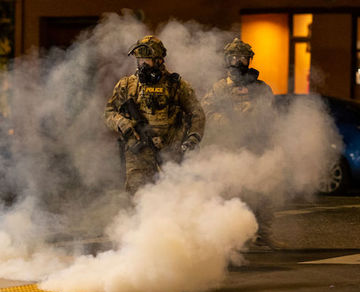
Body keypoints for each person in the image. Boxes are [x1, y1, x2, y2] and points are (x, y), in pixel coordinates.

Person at [201, 38, 281, 250]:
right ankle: (233, 239)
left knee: (262, 191)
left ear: (249, 60)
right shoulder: (219, 88)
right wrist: (226, 121)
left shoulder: (261, 87)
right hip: (230, 148)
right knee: (232, 192)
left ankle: (263, 234)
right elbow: (207, 112)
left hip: (256, 146)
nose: (238, 62)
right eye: (234, 57)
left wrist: (256, 119)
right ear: (227, 59)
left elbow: (271, 114)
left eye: (242, 58)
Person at [105, 35, 205, 194]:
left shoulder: (176, 85)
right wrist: (121, 123)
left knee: (174, 196)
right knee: (138, 196)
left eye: (147, 60)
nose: (142, 64)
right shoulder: (127, 85)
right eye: (140, 60)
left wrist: (192, 139)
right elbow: (109, 112)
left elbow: (196, 113)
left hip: (170, 151)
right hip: (139, 154)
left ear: (159, 60)